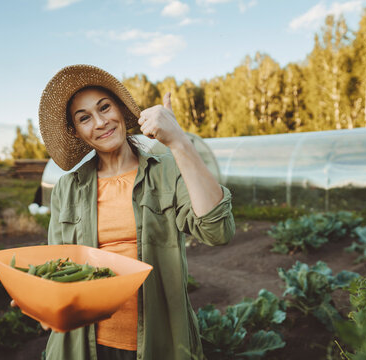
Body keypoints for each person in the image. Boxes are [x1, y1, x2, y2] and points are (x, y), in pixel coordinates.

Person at [38, 64, 235, 360]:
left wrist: (178, 142)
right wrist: (39, 298)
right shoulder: (68, 188)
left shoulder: (166, 170)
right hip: (82, 346)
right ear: (76, 131)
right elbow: (57, 266)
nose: (101, 122)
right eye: (85, 118)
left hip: (160, 341)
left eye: (105, 107)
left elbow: (217, 232)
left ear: (120, 108)